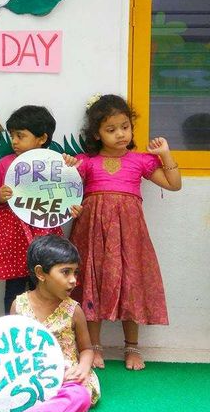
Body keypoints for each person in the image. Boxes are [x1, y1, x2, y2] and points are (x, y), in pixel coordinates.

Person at [70, 94, 182, 370]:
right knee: (91, 282)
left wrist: (165, 153)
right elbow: (64, 193)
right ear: (96, 134)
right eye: (111, 129)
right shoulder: (85, 162)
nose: (120, 134)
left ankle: (132, 348)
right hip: (91, 232)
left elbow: (174, 184)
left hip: (130, 235)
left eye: (125, 126)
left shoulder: (141, 161)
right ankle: (93, 347)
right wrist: (67, 173)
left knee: (130, 284)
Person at [0, 105, 71, 314]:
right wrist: (1, 196)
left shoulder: (56, 163)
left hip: (43, 230)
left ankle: (41, 327)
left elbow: (68, 193)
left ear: (41, 138)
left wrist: (69, 167)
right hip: (12, 231)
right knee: (14, 285)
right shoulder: (6, 163)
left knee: (42, 283)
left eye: (20, 136)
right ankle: (11, 325)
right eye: (12, 135)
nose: (14, 141)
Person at [11, 235, 100, 412]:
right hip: (30, 375)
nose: (74, 279)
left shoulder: (74, 310)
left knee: (80, 396)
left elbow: (86, 349)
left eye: (75, 272)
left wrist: (82, 368)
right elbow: (13, 347)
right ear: (40, 273)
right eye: (66, 272)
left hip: (66, 378)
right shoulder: (19, 305)